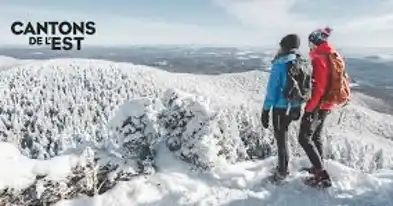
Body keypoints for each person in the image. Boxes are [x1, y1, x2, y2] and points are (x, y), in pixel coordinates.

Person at [298, 27, 348, 188]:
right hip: (328, 103)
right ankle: (318, 167)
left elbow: (318, 88)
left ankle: (322, 175)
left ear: (315, 42)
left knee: (304, 138)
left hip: (318, 105)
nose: (309, 46)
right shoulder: (333, 55)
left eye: (310, 43)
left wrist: (309, 109)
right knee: (316, 136)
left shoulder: (319, 58)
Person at [261, 34, 306, 182]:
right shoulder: (300, 61)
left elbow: (272, 90)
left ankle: (282, 172)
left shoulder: (280, 63)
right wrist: (296, 107)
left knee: (281, 140)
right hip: (294, 107)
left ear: (284, 47)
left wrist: (266, 110)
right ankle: (284, 167)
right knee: (283, 137)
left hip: (280, 108)